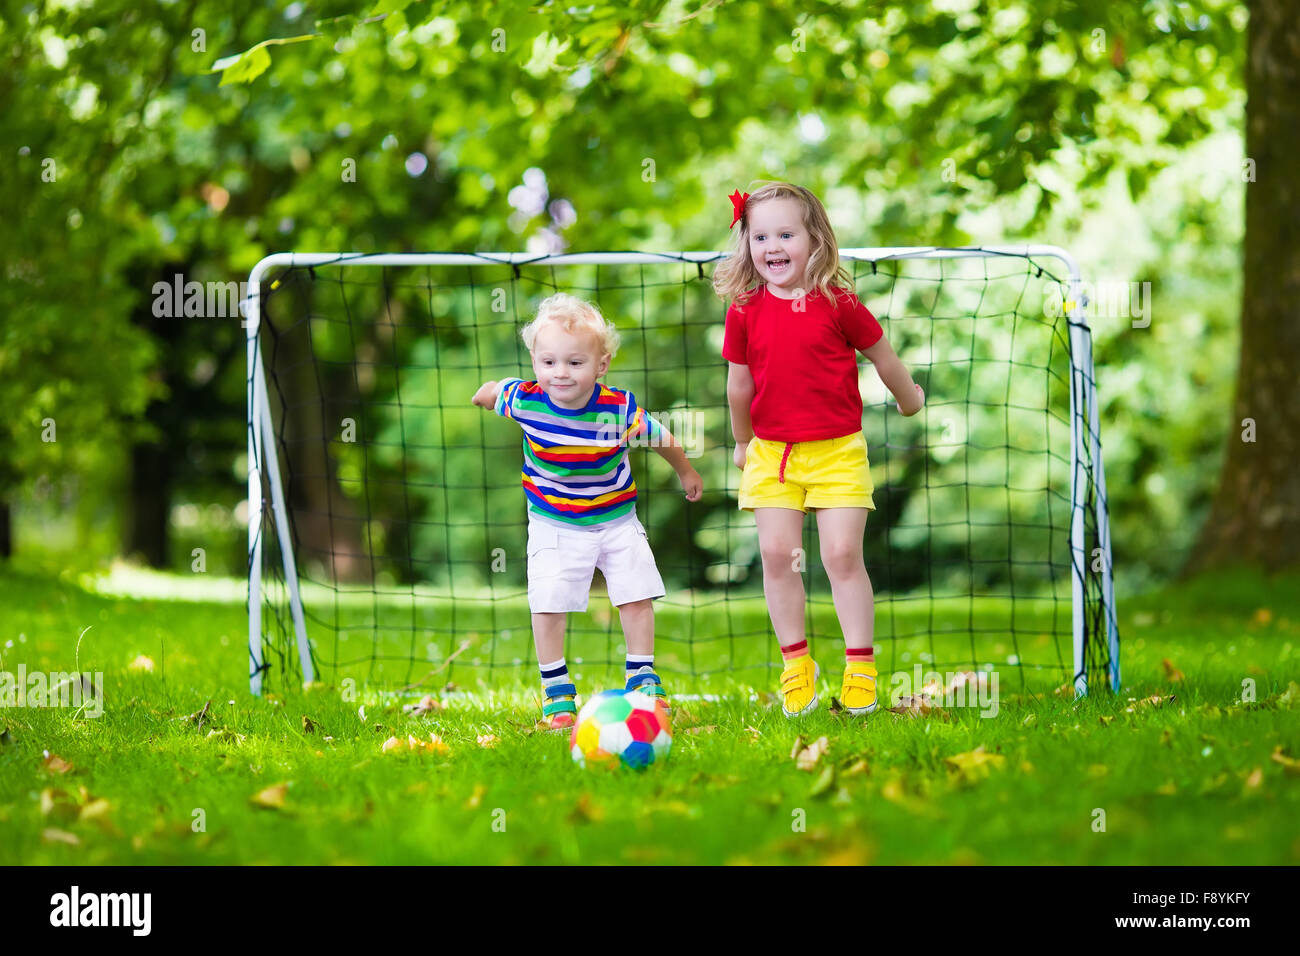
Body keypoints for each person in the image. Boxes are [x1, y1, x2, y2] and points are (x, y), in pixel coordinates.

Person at [713, 181, 925, 717]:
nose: (773, 246)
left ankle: (860, 668)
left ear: (816, 240)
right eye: (760, 236)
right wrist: (741, 442)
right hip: (773, 454)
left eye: (786, 233)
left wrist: (909, 399)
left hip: (837, 452)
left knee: (840, 555)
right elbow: (739, 386)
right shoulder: (744, 309)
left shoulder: (839, 303)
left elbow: (884, 357)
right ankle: (796, 665)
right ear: (747, 244)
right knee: (777, 556)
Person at [472, 293, 703, 730]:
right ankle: (557, 692)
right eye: (549, 362)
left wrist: (686, 471)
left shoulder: (618, 409)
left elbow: (659, 437)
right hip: (553, 523)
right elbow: (492, 392)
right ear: (535, 362)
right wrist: (481, 396)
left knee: (636, 595)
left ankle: (643, 679)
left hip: (616, 520)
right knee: (548, 602)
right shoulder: (524, 399)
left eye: (575, 363)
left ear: (601, 365)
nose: (560, 373)